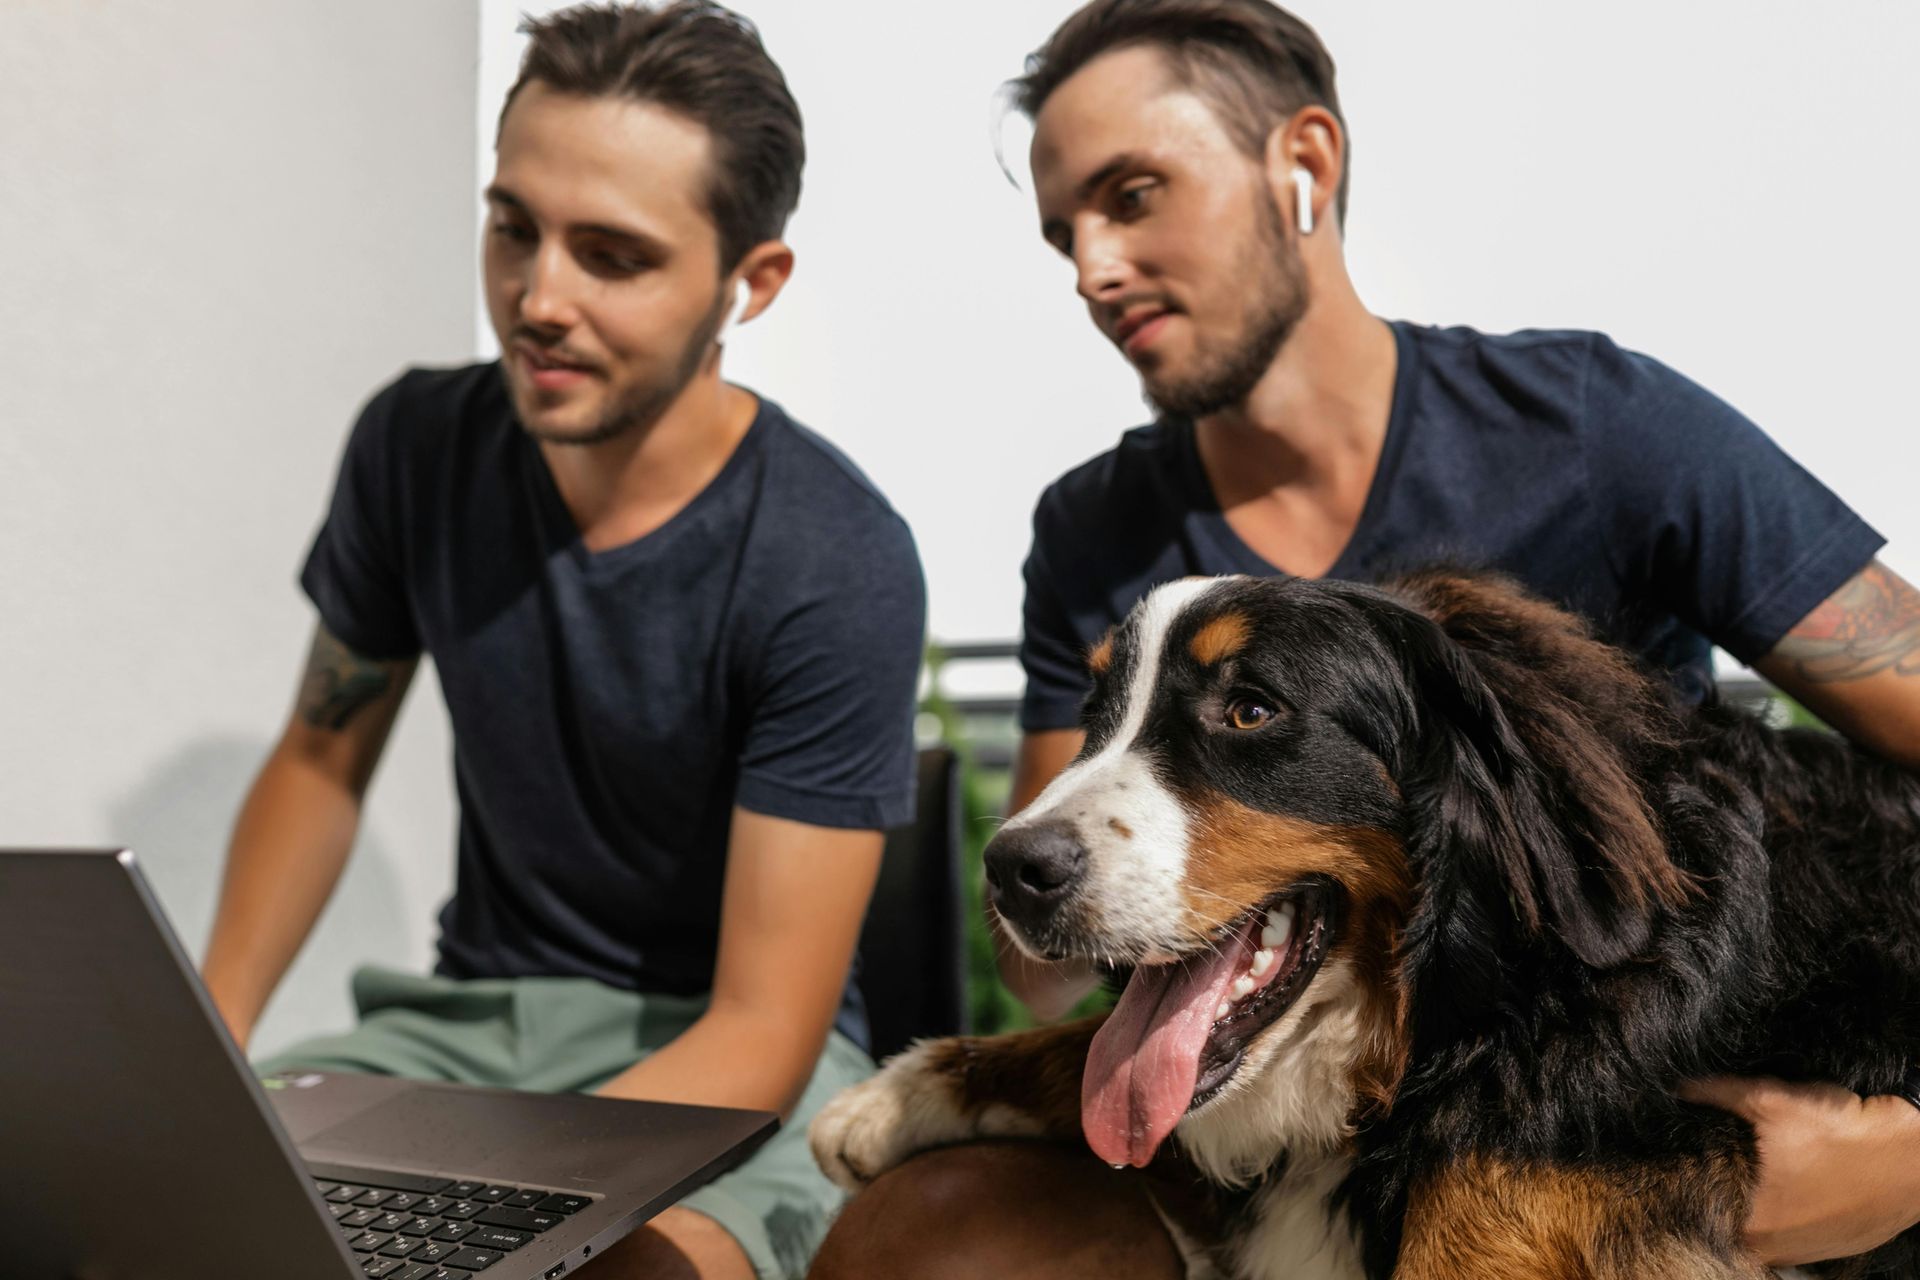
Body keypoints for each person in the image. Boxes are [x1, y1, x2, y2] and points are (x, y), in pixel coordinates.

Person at [808, 0, 1920, 1275]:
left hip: (1597, 1100)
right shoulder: (1095, 529)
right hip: (1259, 1126)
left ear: (1306, 159)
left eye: (1134, 197)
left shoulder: (1598, 431)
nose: (1093, 269)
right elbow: (1052, 950)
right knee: (925, 1233)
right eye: (1066, 232)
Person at [199, 5, 925, 1278]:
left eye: (613, 257)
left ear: (750, 282)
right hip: (465, 1033)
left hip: (735, 1065)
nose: (539, 299)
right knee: (151, 1201)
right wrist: (202, 1054)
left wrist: (492, 1204)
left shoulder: (835, 558)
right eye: (514, 228)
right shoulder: (415, 448)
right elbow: (318, 760)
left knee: (625, 1273)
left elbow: (765, 1023)